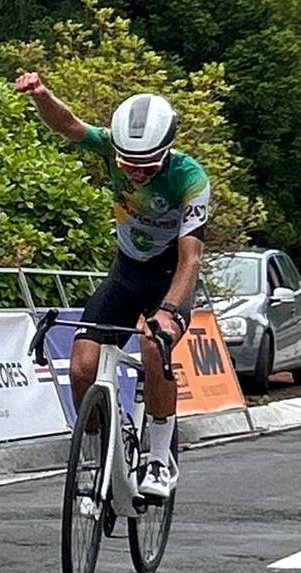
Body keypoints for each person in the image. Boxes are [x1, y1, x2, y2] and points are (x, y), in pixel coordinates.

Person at [16, 74, 209, 497]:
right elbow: (69, 125)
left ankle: (160, 458)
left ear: (166, 152)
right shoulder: (110, 148)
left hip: (168, 276)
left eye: (146, 166)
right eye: (127, 164)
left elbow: (190, 258)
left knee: (152, 344)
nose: (136, 173)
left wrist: (168, 312)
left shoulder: (189, 178)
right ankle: (109, 451)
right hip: (126, 271)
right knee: (83, 367)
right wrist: (42, 96)